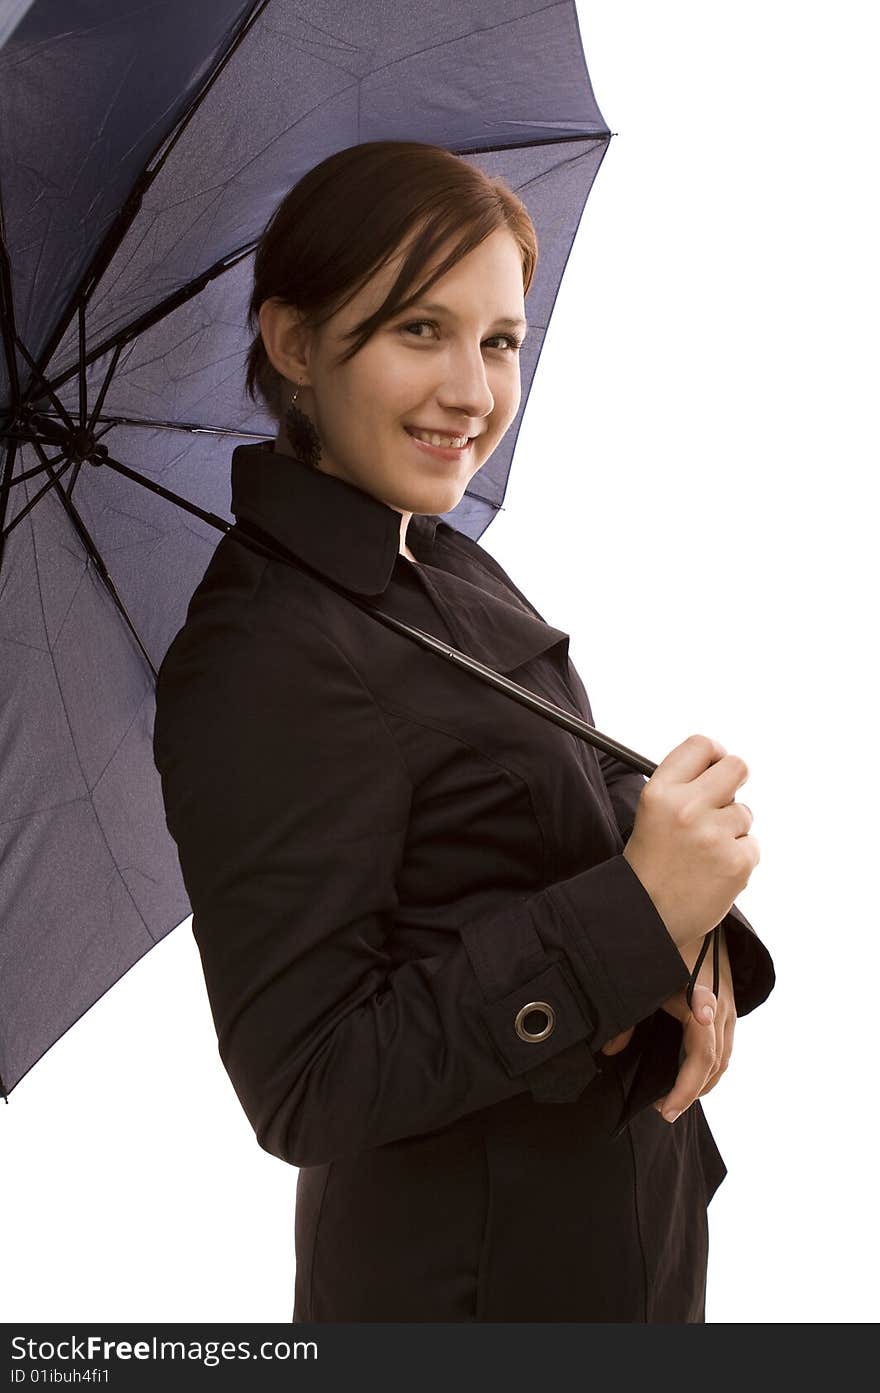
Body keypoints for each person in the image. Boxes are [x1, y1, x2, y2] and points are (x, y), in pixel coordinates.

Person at [152, 141, 775, 1323]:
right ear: (294, 343)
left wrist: (686, 939)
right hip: (470, 1291)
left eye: (499, 341)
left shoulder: (437, 563)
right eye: (418, 331)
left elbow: (544, 847)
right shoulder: (258, 657)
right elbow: (308, 1081)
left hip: (615, 1247)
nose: (473, 393)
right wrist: (636, 914)